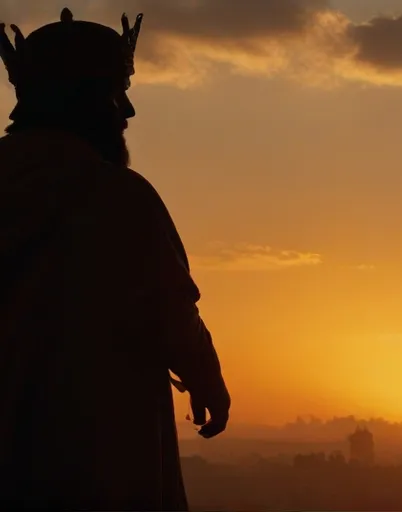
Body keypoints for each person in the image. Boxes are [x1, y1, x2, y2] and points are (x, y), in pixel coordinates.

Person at [0, 8, 230, 511]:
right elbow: (172, 312)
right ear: (83, 100)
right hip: (97, 453)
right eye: (115, 94)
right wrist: (206, 376)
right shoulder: (120, 198)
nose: (126, 112)